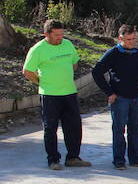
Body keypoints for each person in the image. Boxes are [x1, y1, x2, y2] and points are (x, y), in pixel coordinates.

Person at [22, 19, 92, 170]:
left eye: (62, 34)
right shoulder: (38, 49)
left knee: (74, 127)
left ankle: (73, 158)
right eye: (56, 35)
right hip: (50, 95)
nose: (60, 37)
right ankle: (53, 160)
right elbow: (27, 71)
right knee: (50, 128)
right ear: (46, 34)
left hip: (69, 93)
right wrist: (41, 82)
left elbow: (75, 63)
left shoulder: (67, 44)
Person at [92, 24, 138, 169]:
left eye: (133, 39)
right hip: (119, 99)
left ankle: (135, 159)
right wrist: (109, 92)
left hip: (136, 99)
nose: (132, 42)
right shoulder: (112, 54)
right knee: (119, 130)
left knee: (135, 129)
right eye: (128, 39)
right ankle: (119, 161)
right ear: (120, 38)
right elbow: (96, 72)